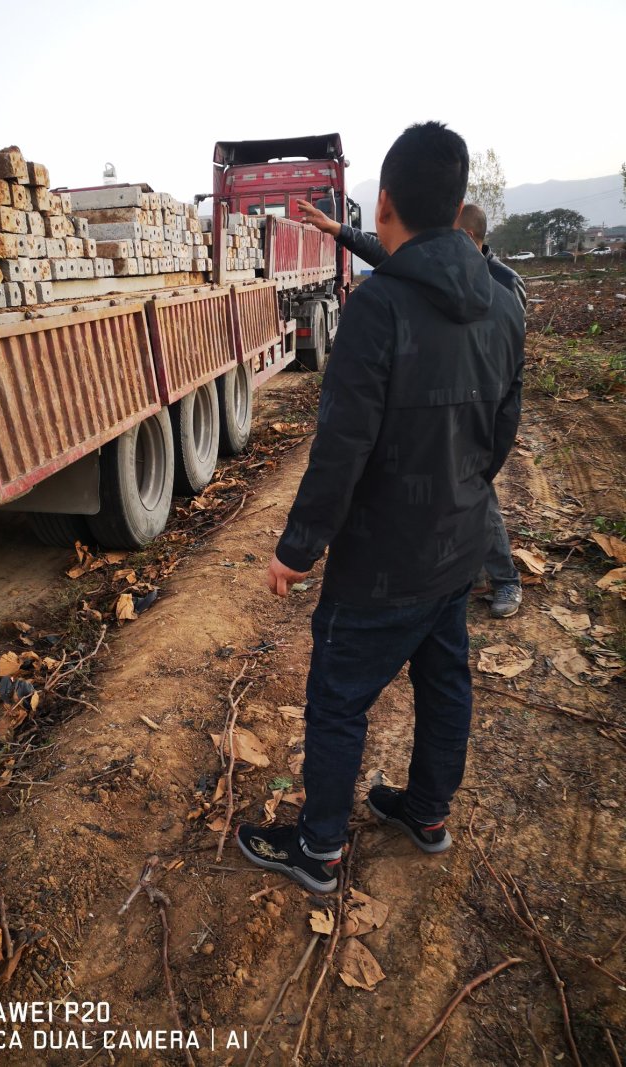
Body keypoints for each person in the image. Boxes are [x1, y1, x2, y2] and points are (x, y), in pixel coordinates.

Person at [235, 122, 525, 894]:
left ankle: (320, 848)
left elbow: (340, 450)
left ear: (386, 200)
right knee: (445, 681)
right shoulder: (503, 302)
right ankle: (427, 813)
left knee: (336, 701)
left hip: (381, 565)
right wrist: (461, 491)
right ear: (460, 204)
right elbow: (501, 433)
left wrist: (297, 549)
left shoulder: (377, 309)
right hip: (457, 549)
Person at [298, 197, 525, 619]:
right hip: (436, 398)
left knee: (477, 495)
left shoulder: (503, 284)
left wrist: (480, 467)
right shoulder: (433, 272)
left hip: (471, 404)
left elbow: (510, 389)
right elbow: (385, 252)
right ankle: (464, 570)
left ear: (468, 238)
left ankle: (506, 580)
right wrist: (337, 229)